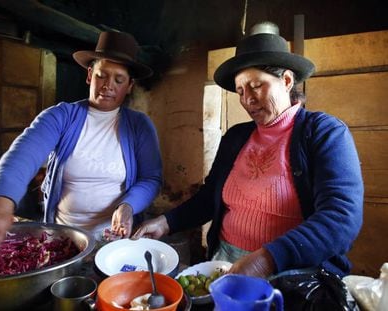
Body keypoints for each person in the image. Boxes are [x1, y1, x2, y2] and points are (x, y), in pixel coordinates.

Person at [133, 22, 364, 279]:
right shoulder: (236, 136)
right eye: (241, 91)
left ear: (286, 80)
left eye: (256, 86)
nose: (247, 100)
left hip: (290, 272)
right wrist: (166, 222)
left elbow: (341, 218)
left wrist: (268, 259)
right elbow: (210, 197)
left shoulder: (324, 133)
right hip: (223, 264)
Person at [0, 30, 162, 251]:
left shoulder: (139, 126)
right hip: (63, 237)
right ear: (90, 75)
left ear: (129, 86)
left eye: (119, 79)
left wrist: (128, 206)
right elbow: (24, 152)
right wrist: (1, 200)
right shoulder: (61, 116)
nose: (108, 85)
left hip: (114, 243)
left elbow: (151, 178)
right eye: (102, 75)